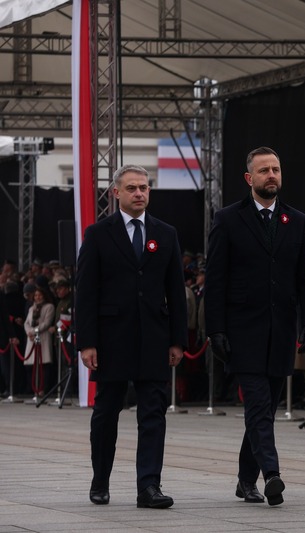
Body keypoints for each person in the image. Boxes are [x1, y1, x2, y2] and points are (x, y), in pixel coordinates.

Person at [204, 146, 305, 507]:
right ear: (248, 178)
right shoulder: (227, 219)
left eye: (276, 169)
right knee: (257, 405)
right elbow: (216, 280)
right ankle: (271, 473)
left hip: (280, 331)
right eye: (264, 170)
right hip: (242, 331)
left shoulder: (296, 220)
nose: (272, 175)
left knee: (263, 411)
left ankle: (243, 480)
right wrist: (215, 330)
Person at [76, 164, 187, 508]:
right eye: (133, 188)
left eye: (144, 187)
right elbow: (86, 292)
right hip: (111, 340)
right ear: (117, 193)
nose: (140, 193)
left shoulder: (165, 233)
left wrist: (177, 340)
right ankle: (100, 479)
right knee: (106, 412)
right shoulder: (98, 234)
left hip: (154, 338)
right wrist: (87, 342)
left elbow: (176, 290)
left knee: (153, 413)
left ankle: (149, 486)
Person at [24, 287, 55, 395]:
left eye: (40, 295)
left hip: (43, 337)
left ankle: (42, 389)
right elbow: (26, 323)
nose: (38, 297)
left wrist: (33, 331)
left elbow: (46, 323)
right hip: (31, 339)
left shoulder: (49, 307)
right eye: (36, 295)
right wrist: (29, 332)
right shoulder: (31, 308)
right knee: (31, 365)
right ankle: (34, 388)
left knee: (44, 365)